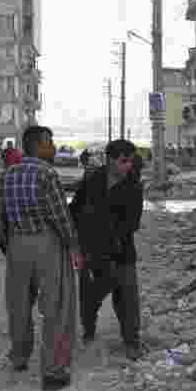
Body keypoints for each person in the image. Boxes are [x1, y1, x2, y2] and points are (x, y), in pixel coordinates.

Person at [0, 125, 85, 391]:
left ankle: (20, 356)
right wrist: (73, 246)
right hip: (47, 242)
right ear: (39, 145)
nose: (54, 147)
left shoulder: (7, 175)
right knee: (56, 306)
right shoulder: (46, 174)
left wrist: (8, 247)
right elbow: (60, 216)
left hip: (16, 243)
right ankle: (53, 371)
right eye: (50, 143)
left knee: (19, 305)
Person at [69, 139, 144, 361]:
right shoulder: (92, 181)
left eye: (131, 161)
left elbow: (132, 224)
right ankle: (89, 333)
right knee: (89, 298)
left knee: (127, 299)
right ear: (110, 160)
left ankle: (131, 342)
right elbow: (74, 210)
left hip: (121, 253)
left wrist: (108, 233)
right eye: (123, 161)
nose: (128, 166)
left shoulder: (133, 187)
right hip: (92, 253)